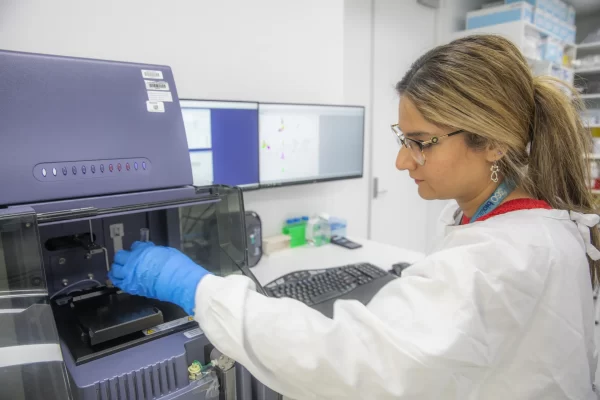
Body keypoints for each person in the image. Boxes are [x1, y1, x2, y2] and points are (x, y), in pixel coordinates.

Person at [109, 35, 600, 399]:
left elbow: (344, 359)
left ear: (492, 141)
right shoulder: (542, 228)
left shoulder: (499, 260)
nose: (403, 162)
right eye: (402, 140)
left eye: (420, 142)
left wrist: (197, 288)